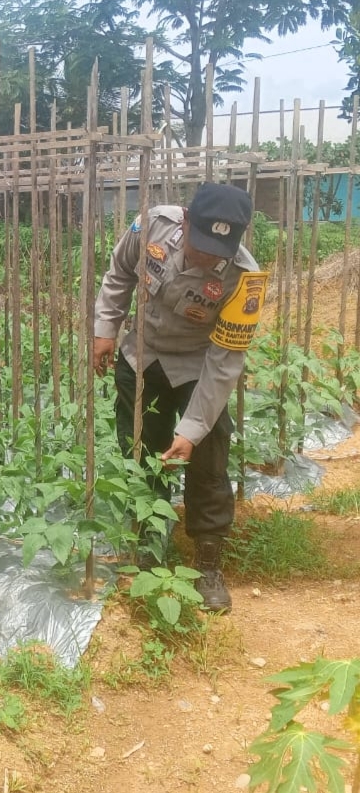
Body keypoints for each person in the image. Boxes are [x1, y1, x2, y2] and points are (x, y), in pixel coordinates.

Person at [92, 182, 269, 612]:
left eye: (218, 250)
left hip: (197, 364)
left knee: (208, 454)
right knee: (140, 449)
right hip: (143, 354)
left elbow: (224, 363)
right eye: (201, 243)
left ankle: (207, 559)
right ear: (185, 221)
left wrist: (192, 429)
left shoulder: (245, 280)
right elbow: (120, 272)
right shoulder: (152, 226)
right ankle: (149, 541)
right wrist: (105, 328)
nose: (208, 257)